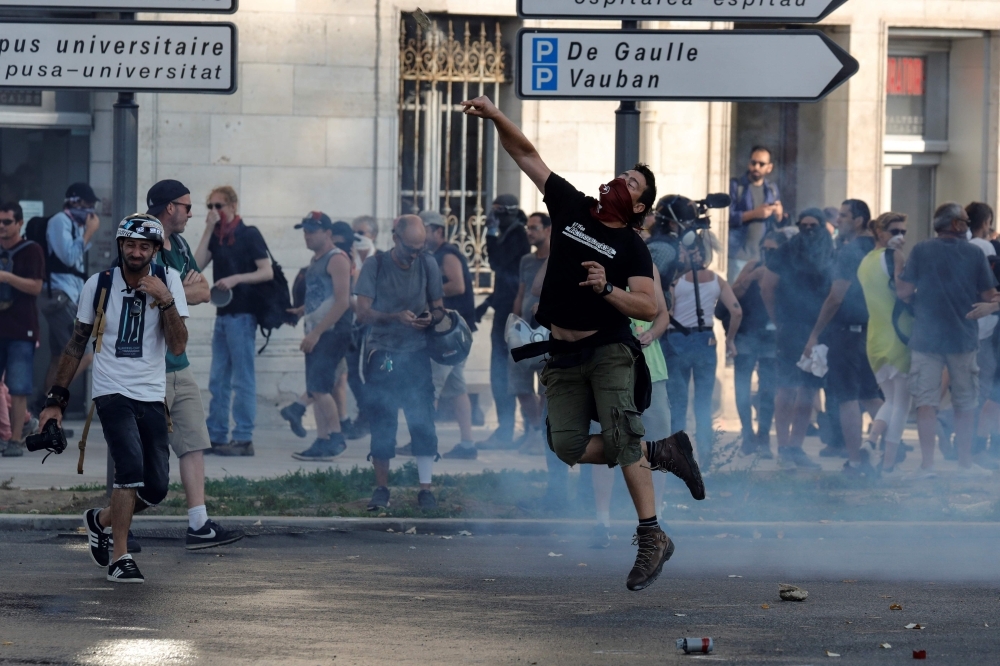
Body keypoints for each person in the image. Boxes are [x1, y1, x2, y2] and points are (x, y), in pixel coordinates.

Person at [462, 94, 705, 592]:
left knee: (620, 439)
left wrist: (607, 288)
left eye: (632, 183)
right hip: (561, 352)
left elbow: (649, 306)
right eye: (623, 175)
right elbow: (527, 156)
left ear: (638, 206)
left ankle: (651, 535)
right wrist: (496, 116)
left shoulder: (631, 245)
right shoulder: (573, 207)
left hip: (610, 352)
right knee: (565, 446)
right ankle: (660, 450)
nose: (622, 181)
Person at [38, 215, 188, 583]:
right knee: (129, 470)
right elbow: (76, 343)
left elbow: (179, 345)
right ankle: (120, 557)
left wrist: (166, 301)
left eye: (144, 246)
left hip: (151, 394)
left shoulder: (168, 282)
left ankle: (100, 520)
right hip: (111, 391)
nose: (135, 252)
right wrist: (55, 399)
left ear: (154, 249)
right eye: (129, 245)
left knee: (156, 488)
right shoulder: (99, 284)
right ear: (120, 246)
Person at [146, 180, 243, 548]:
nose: (191, 212)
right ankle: (111, 525)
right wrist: (174, 291)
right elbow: (144, 290)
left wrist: (170, 292)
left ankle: (198, 524)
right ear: (169, 207)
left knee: (193, 443)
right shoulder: (142, 239)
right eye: (187, 206)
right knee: (141, 455)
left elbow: (205, 290)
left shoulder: (182, 244)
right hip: (147, 366)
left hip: (179, 362)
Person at [896, 203, 999, 477]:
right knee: (966, 403)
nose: (967, 224)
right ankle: (965, 464)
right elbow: (990, 295)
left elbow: (904, 290)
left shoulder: (920, 250)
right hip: (963, 338)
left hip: (926, 339)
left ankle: (927, 465)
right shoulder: (974, 253)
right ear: (955, 225)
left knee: (926, 403)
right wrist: (990, 306)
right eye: (964, 220)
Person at [354, 215, 445, 511]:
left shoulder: (428, 263)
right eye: (410, 249)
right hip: (384, 352)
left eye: (420, 248)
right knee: (382, 420)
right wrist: (394, 317)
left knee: (422, 420)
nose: (415, 255)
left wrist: (432, 318)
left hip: (417, 351)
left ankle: (425, 489)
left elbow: (439, 308)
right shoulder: (375, 265)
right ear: (395, 238)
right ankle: (381, 488)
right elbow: (362, 313)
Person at [591, 263, 673, 548]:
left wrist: (653, 333)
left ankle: (656, 519)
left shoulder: (648, 266)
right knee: (607, 443)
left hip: (652, 371)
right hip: (609, 370)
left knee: (657, 447)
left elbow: (662, 313)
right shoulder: (597, 262)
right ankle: (602, 521)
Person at [801, 200, 883, 477]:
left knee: (848, 398)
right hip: (874, 331)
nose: (838, 222)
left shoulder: (850, 252)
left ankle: (856, 462)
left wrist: (814, 333)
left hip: (848, 334)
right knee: (873, 397)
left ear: (859, 220)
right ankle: (887, 454)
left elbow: (836, 297)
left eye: (845, 216)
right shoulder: (877, 249)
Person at [194, 186, 273, 456]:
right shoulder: (217, 237)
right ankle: (216, 434)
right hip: (223, 314)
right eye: (211, 207)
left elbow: (266, 271)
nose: (215, 212)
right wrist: (207, 230)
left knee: (242, 378)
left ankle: (243, 437)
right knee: (218, 378)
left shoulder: (248, 234)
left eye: (220, 206)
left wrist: (237, 278)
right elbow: (195, 267)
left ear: (233, 206)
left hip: (243, 314)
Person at [761, 209, 833, 470]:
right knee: (787, 388)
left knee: (809, 388)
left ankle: (796, 447)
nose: (809, 229)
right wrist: (778, 320)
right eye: (804, 225)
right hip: (790, 328)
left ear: (823, 226)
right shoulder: (786, 251)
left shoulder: (829, 250)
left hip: (821, 329)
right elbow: (767, 286)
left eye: (814, 225)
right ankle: (783, 448)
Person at [665, 233, 742, 465]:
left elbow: (667, 313)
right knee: (703, 403)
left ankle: (678, 460)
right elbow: (736, 311)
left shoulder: (676, 281)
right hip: (706, 342)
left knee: (678, 404)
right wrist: (730, 339)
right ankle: (706, 461)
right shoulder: (718, 280)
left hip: (677, 340)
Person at [284, 213, 354, 462]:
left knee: (320, 388)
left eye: (312, 230)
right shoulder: (317, 260)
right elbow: (323, 297)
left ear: (328, 233)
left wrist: (316, 332)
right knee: (316, 387)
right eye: (305, 230)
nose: (307, 235)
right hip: (318, 331)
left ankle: (336, 438)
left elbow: (343, 301)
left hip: (331, 332)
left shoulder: (337, 259)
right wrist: (301, 311)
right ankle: (322, 440)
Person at [34, 183, 101, 413]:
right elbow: (69, 258)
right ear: (75, 202)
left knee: (57, 355)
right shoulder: (60, 222)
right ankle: (48, 403)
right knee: (83, 354)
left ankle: (42, 410)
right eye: (88, 205)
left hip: (68, 295)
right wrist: (89, 232)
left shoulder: (73, 224)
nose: (91, 211)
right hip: (58, 297)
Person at [419, 210, 479, 460]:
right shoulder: (435, 255)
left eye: (425, 231)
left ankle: (422, 443)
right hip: (452, 333)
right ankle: (467, 444)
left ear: (438, 232)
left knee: (429, 386)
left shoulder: (447, 254)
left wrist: (425, 292)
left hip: (449, 333)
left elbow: (457, 285)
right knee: (456, 388)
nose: (421, 236)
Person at [857, 212, 912, 477]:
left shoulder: (865, 262)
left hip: (875, 339)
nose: (900, 237)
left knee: (891, 399)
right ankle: (887, 463)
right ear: (879, 233)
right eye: (895, 231)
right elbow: (904, 293)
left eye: (903, 232)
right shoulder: (895, 258)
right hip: (898, 336)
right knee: (901, 403)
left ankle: (870, 442)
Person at [476, 194, 530, 451]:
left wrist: (490, 234)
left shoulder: (517, 235)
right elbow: (503, 281)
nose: (493, 218)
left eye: (497, 213)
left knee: (506, 373)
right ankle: (506, 428)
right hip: (504, 311)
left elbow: (497, 263)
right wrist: (485, 305)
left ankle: (511, 430)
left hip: (512, 315)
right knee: (499, 373)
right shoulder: (511, 234)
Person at [731, 231, 786, 457]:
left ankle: (763, 435)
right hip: (747, 333)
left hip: (772, 337)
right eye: (766, 249)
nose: (769, 254)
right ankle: (747, 434)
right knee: (742, 385)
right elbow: (732, 295)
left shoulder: (786, 269)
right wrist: (750, 277)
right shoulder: (753, 265)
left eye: (774, 250)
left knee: (768, 388)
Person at [0, 202, 44, 457]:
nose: (2, 227)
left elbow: (36, 287)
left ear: (19, 223)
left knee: (18, 387)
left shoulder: (31, 250)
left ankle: (16, 439)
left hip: (21, 328)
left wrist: (6, 277)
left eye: (7, 222)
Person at [508, 212, 552, 456]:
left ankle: (544, 434)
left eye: (534, 228)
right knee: (519, 385)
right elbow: (522, 292)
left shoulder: (560, 258)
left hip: (549, 333)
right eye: (528, 228)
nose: (529, 232)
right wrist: (515, 323)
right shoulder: (526, 260)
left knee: (546, 387)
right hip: (525, 331)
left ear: (548, 230)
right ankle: (535, 431)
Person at [966, 202, 1000, 469]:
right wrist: (992, 305)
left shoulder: (964, 247)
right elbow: (991, 290)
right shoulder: (985, 248)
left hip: (972, 328)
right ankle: (979, 448)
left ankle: (977, 448)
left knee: (987, 394)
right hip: (986, 329)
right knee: (990, 393)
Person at [728, 147, 783, 281]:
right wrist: (754, 214)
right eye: (753, 163)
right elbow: (726, 217)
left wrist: (779, 214)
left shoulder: (771, 189)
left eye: (761, 164)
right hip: (738, 255)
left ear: (769, 168)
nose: (756, 167)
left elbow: (777, 223)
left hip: (762, 257)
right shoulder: (736, 186)